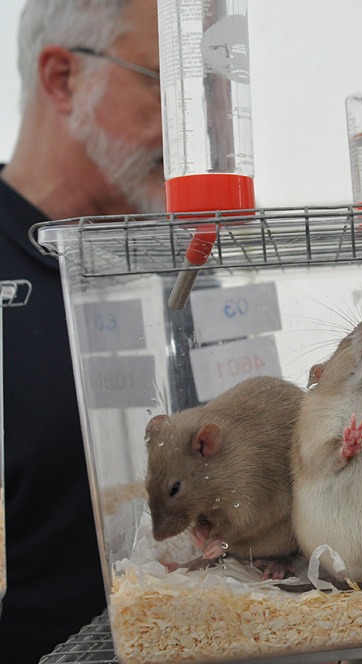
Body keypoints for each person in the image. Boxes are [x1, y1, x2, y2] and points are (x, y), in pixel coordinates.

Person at [0, 1, 163, 662]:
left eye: (209, 93)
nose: (195, 122)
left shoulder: (190, 270)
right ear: (63, 79)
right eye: (160, 80)